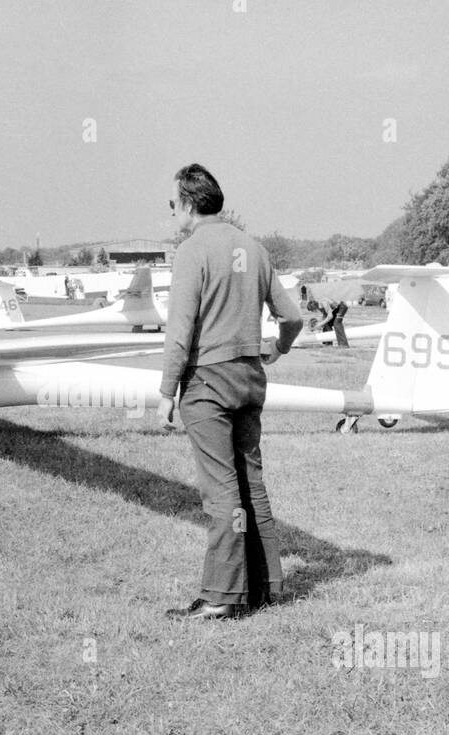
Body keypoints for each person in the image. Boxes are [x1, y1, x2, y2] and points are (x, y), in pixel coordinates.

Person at [158, 163, 303, 620]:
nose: (172, 212)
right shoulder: (255, 249)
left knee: (221, 493)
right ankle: (266, 586)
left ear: (187, 203)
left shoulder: (191, 251)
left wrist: (166, 391)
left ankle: (222, 597)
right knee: (250, 483)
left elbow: (180, 331)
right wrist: (279, 347)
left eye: (172, 203)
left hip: (207, 382)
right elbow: (292, 317)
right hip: (249, 378)